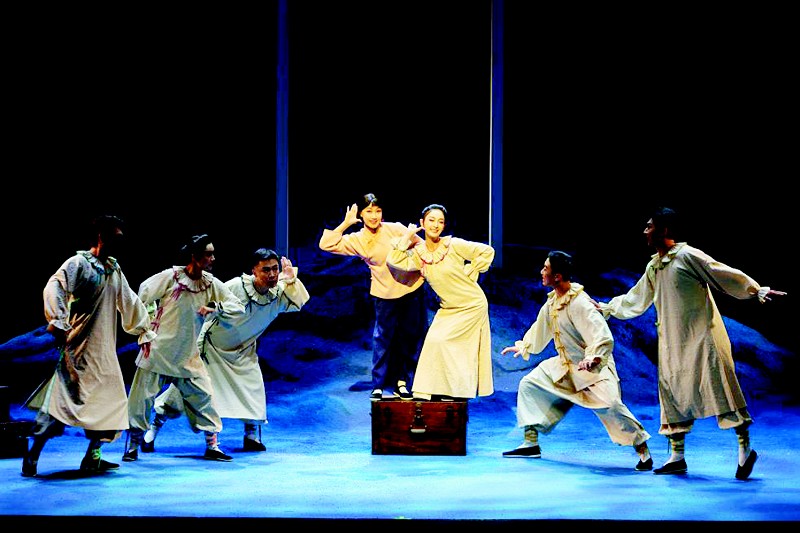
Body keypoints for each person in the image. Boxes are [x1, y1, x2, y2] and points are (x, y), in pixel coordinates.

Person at [594, 207, 787, 479]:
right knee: (672, 391)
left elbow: (721, 272)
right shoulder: (654, 266)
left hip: (703, 338)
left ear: (664, 230)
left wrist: (756, 290)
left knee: (721, 388)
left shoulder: (687, 255)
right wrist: (608, 308)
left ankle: (745, 450)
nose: (645, 231)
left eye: (649, 226)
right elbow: (636, 298)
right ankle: (677, 456)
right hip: (673, 341)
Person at [22, 215, 156, 477]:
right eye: (115, 237)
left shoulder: (113, 269)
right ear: (102, 236)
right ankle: (33, 454)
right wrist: (58, 320)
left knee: (112, 402)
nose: (119, 242)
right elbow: (55, 286)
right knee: (62, 404)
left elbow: (128, 301)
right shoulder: (79, 263)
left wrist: (145, 329)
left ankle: (93, 457)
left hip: (104, 352)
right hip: (79, 349)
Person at [145, 248, 310, 453]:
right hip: (212, 348)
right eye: (266, 270)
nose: (272, 274)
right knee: (182, 393)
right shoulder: (236, 286)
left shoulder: (277, 293)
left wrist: (291, 279)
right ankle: (153, 430)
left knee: (252, 388)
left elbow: (298, 303)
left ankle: (251, 436)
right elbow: (207, 302)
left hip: (243, 351)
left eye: (275, 269)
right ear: (254, 270)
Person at [500, 251, 652, 470]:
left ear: (558, 276)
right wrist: (524, 345)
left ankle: (643, 450)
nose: (542, 272)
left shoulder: (580, 303)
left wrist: (593, 358)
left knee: (611, 405)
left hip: (593, 369)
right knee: (530, 384)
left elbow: (602, 336)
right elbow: (540, 329)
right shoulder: (553, 302)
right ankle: (530, 442)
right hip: (565, 366)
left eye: (546, 268)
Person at [123, 233, 245, 462]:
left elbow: (237, 307)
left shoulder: (210, 284)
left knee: (204, 396)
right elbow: (143, 293)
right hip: (159, 350)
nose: (213, 258)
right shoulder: (172, 277)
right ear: (194, 256)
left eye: (213, 254)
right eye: (208, 254)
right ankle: (132, 446)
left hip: (188, 354)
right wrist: (147, 325)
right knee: (141, 400)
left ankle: (212, 446)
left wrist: (216, 307)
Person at [319, 193, 428, 401]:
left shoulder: (395, 228)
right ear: (361, 214)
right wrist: (345, 223)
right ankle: (378, 384)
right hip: (384, 292)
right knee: (383, 338)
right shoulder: (358, 239)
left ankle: (403, 382)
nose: (374, 215)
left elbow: (421, 246)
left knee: (409, 336)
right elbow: (326, 244)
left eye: (377, 211)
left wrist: (414, 262)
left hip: (412, 289)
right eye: (369, 211)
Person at [387, 203, 494, 401]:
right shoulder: (419, 254)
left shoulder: (453, 245)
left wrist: (472, 269)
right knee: (434, 342)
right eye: (431, 220)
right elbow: (394, 260)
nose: (436, 225)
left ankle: (456, 392)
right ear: (422, 223)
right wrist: (407, 237)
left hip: (472, 304)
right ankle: (428, 391)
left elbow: (487, 251)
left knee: (456, 348)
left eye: (440, 222)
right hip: (448, 308)